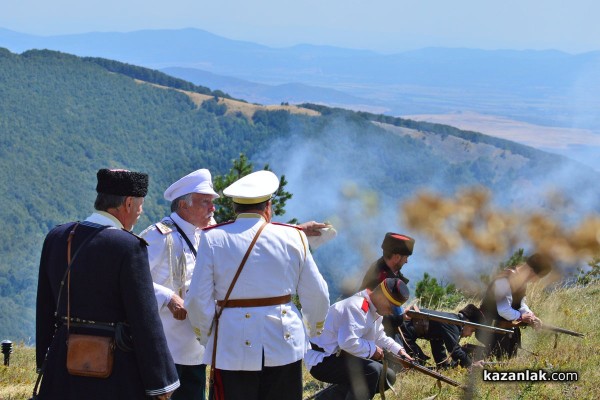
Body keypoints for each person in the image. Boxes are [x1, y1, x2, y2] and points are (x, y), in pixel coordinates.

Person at [185, 170, 330, 400]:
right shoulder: (295, 237)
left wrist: (206, 335)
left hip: (231, 344)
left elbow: (196, 299)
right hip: (284, 341)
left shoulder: (212, 238)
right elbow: (317, 294)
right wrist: (315, 328)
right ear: (268, 207)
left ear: (235, 208)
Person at [35, 168, 179, 399]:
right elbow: (145, 320)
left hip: (62, 362)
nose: (140, 212)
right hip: (113, 369)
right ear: (129, 203)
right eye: (140, 206)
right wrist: (162, 382)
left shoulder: (57, 236)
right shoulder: (128, 246)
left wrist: (45, 363)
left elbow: (44, 307)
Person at [140, 168, 219, 400]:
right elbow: (134, 281)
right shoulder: (158, 236)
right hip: (167, 348)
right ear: (183, 206)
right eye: (205, 202)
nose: (212, 208)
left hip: (196, 347)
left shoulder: (204, 234)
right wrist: (167, 296)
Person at [305, 278, 413, 400]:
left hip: (338, 356)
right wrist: (373, 350)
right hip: (322, 359)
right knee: (373, 371)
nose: (390, 312)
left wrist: (400, 352)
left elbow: (379, 337)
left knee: (387, 377)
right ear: (382, 297)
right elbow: (348, 342)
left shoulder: (374, 310)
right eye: (390, 307)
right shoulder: (356, 306)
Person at [477, 253, 552, 359]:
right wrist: (521, 317)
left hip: (504, 327)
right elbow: (503, 310)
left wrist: (531, 316)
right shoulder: (504, 279)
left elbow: (520, 304)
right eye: (536, 278)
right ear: (531, 272)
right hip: (488, 327)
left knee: (509, 358)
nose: (535, 281)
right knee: (499, 359)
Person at [359, 232, 415, 340]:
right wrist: (401, 317)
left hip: (386, 327)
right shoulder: (378, 277)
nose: (407, 261)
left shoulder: (392, 273)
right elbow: (376, 310)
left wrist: (402, 312)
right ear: (397, 257)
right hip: (373, 330)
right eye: (406, 257)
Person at [400, 304, 485, 368]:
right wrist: (471, 364)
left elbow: (436, 342)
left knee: (420, 362)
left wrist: (443, 366)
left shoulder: (452, 321)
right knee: (417, 362)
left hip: (404, 330)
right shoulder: (453, 324)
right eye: (472, 330)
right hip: (402, 331)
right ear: (467, 322)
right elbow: (455, 351)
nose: (470, 335)